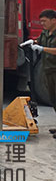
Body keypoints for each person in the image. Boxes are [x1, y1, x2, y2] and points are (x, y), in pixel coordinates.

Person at [33, 9, 56, 138]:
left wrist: (43, 49)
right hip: (49, 70)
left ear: (53, 20)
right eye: (41, 21)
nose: (42, 23)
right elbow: (39, 41)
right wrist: (33, 42)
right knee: (53, 100)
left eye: (44, 21)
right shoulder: (45, 33)